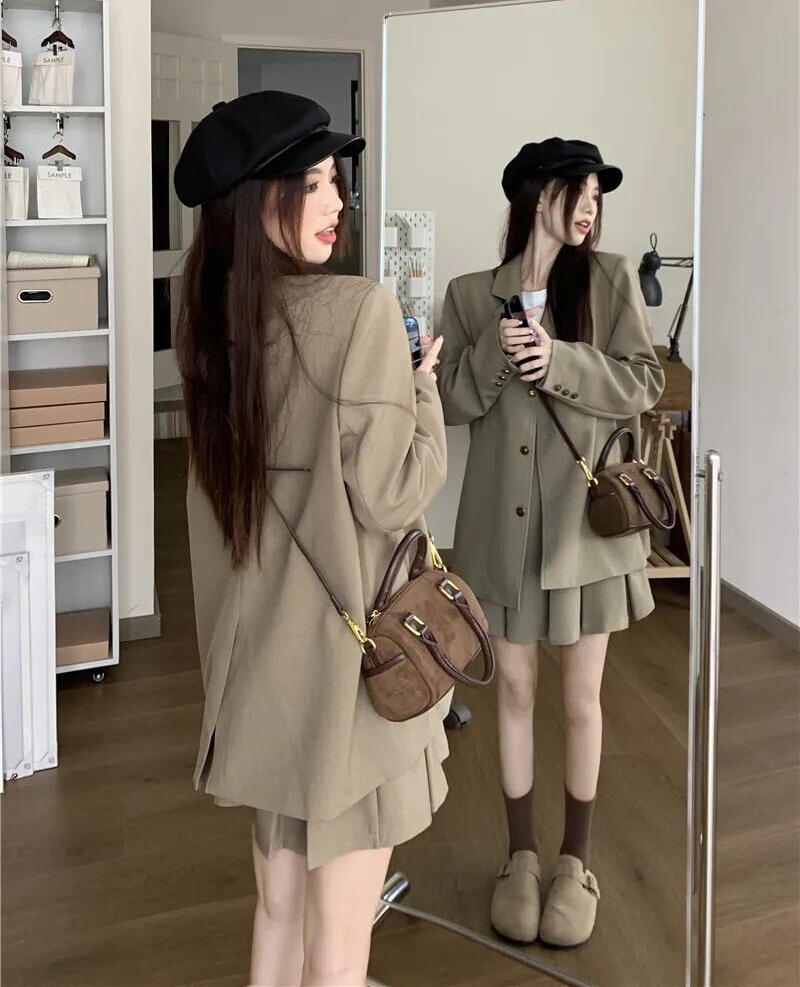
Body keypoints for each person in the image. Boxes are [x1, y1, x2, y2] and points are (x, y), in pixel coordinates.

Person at [173, 91, 448, 987]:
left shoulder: (209, 318)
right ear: (258, 200)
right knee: (340, 942)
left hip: (262, 676)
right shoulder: (361, 312)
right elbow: (395, 492)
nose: (336, 204)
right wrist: (422, 389)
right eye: (313, 184)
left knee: (278, 915)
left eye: (337, 182)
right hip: (350, 686)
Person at [437, 138, 664, 948]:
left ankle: (577, 861)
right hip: (498, 535)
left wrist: (560, 359)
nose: (592, 209)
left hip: (584, 536)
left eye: (599, 196)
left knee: (580, 700)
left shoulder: (608, 281)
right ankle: (521, 857)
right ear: (540, 198)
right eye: (581, 193)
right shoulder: (472, 296)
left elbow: (644, 383)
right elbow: (449, 404)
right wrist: (496, 358)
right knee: (516, 692)